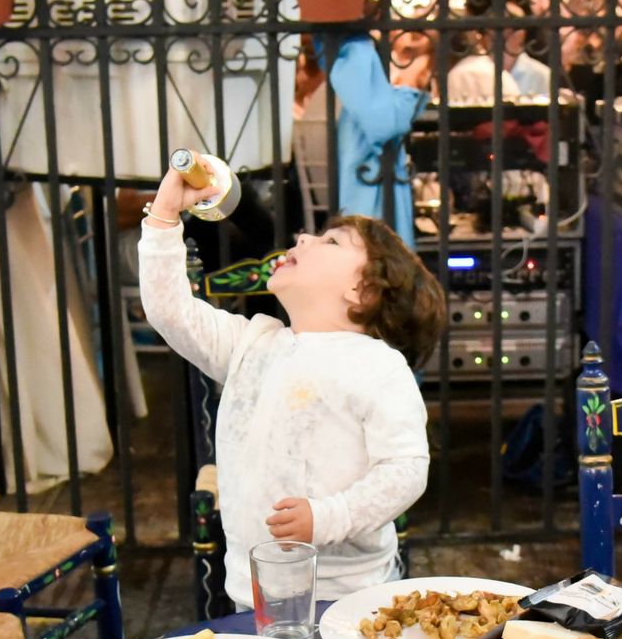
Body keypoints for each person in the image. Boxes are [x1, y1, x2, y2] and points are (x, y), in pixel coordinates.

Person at [138, 164, 446, 609]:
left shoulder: (377, 365)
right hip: (254, 593)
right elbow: (170, 311)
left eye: (331, 241)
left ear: (362, 291)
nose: (304, 237)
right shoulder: (251, 343)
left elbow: (405, 469)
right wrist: (165, 213)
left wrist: (328, 517)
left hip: (351, 599)